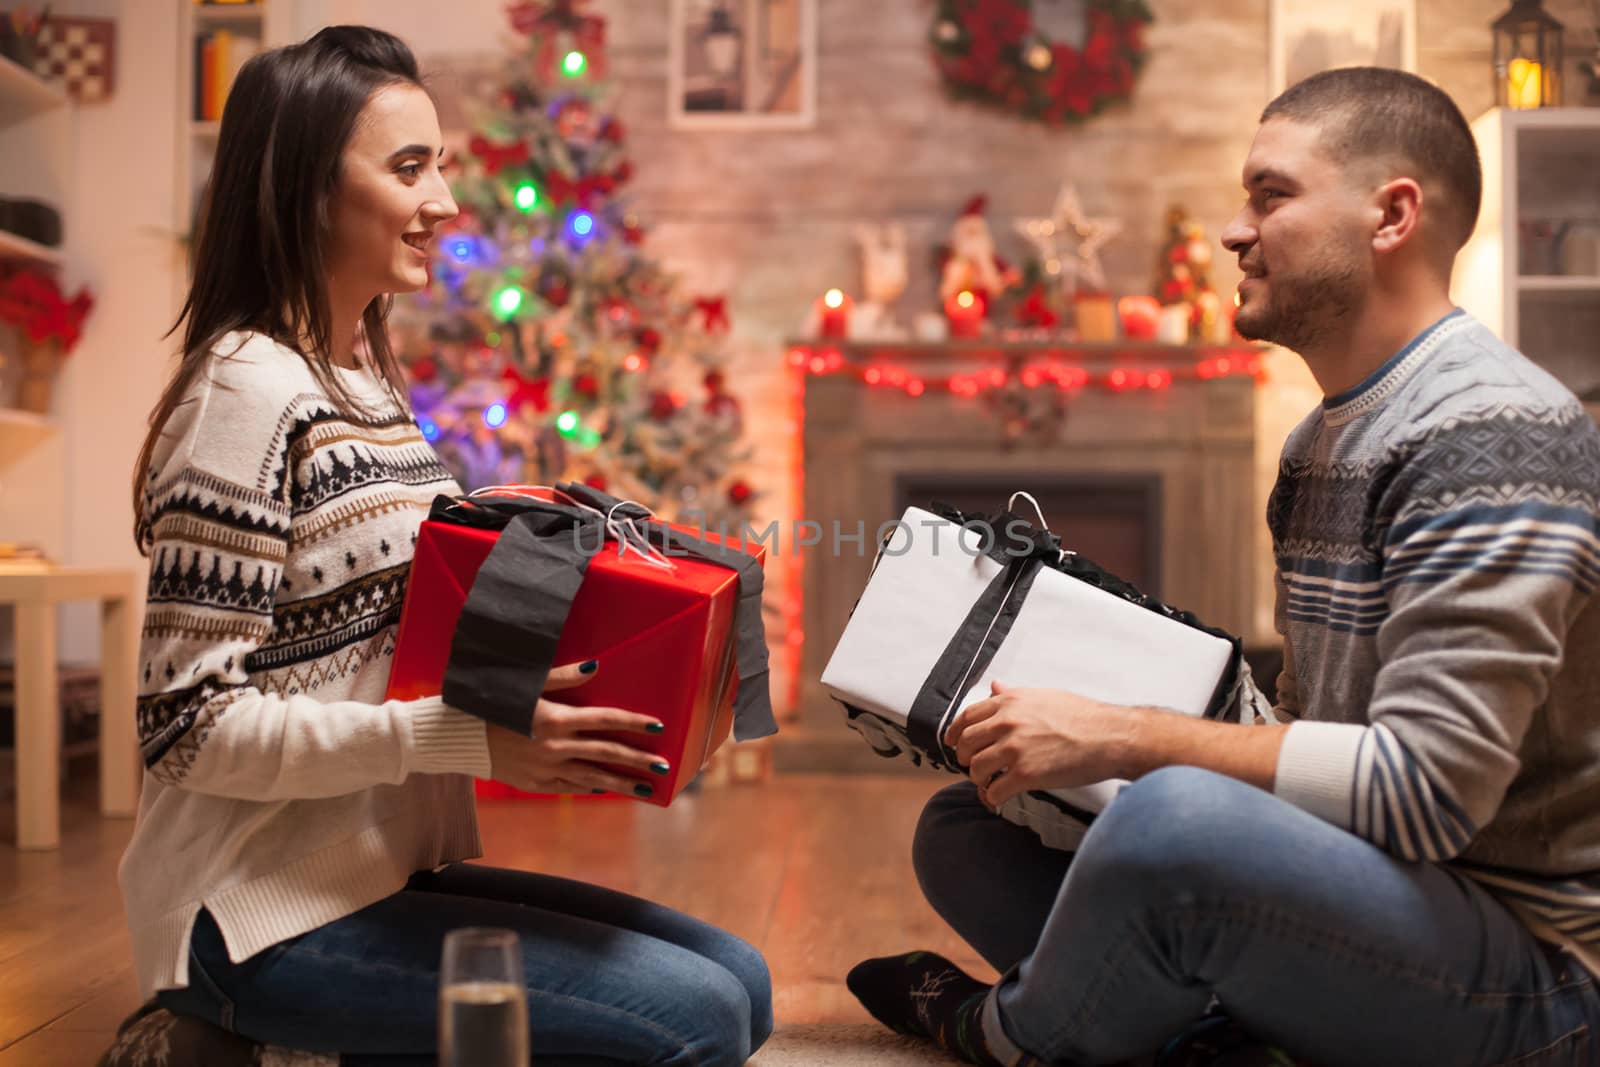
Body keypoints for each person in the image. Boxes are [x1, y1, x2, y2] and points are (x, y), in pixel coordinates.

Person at [846, 67, 1600, 1067]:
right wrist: (1077, 730)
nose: (1233, 232)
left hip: (1534, 974)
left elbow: (1425, 788)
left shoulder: (1486, 429)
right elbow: (1309, 738)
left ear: (1392, 214)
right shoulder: (1316, 446)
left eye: (1270, 194)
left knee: (1171, 818)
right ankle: (1220, 1032)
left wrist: (1123, 735)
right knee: (973, 820)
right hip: (1380, 897)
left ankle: (1005, 1032)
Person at [111, 25, 770, 1067]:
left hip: (375, 870)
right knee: (697, 1020)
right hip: (254, 913)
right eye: (408, 167)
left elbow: (404, 623)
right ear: (310, 191)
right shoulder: (242, 393)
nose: (447, 201)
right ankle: (206, 1024)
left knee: (744, 982)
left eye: (444, 163)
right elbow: (185, 727)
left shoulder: (368, 386)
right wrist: (465, 738)